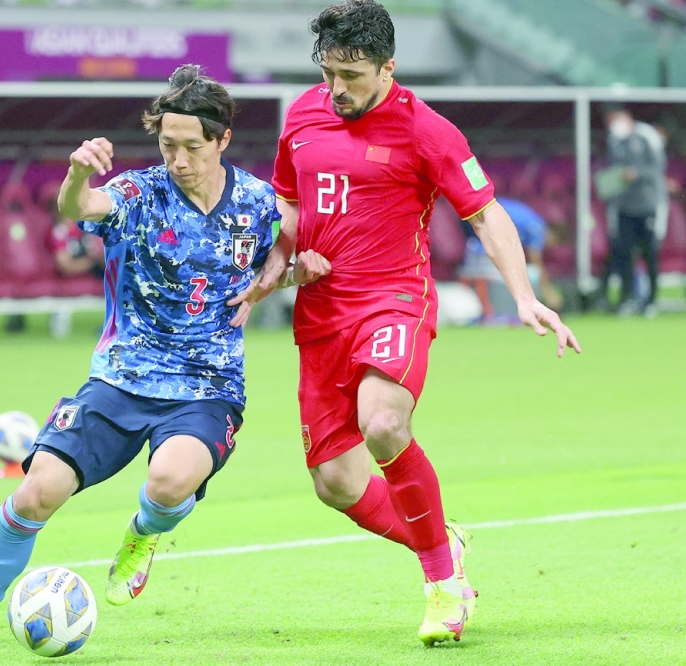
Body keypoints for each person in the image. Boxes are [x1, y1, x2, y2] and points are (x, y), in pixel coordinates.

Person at [229, 0, 580, 647]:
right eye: (329, 72)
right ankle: (441, 536)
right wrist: (273, 272)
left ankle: (443, 585)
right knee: (335, 483)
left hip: (393, 300)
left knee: (384, 422)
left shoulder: (428, 130)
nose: (337, 89)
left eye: (352, 76)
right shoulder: (303, 116)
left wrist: (524, 296)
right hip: (320, 318)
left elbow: (486, 213)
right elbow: (285, 209)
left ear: (389, 67)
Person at [0, 64, 277, 648]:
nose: (179, 159)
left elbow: (290, 250)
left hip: (207, 386)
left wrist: (277, 280)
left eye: (192, 147)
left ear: (222, 141)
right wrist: (74, 174)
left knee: (169, 482)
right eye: (168, 145)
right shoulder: (140, 193)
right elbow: (79, 207)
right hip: (120, 378)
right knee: (37, 490)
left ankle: (143, 533)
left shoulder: (259, 201)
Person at [599, 105, 667, 317]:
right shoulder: (614, 141)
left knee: (650, 254)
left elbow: (656, 171)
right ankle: (628, 298)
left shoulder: (647, 137)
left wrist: (636, 173)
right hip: (623, 206)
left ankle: (651, 300)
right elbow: (612, 170)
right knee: (625, 254)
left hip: (647, 205)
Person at [461, 196, 564, 316]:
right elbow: (537, 263)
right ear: (553, 235)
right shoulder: (537, 228)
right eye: (553, 243)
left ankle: (488, 311)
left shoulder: (532, 221)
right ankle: (496, 312)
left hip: (481, 208)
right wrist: (548, 291)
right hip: (485, 210)